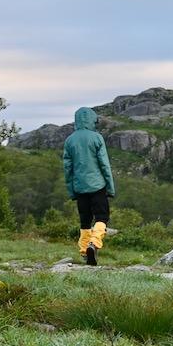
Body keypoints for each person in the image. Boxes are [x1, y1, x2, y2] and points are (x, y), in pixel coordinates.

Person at [62, 107, 115, 265]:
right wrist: (110, 188)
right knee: (102, 217)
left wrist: (72, 191)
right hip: (97, 185)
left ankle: (85, 250)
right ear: (92, 120)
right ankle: (94, 243)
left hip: (79, 187)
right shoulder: (97, 138)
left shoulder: (70, 140)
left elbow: (67, 169)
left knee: (85, 221)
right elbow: (104, 164)